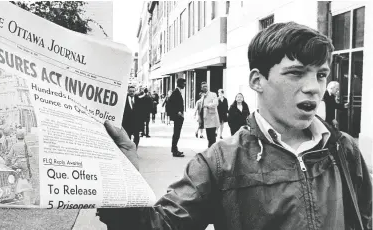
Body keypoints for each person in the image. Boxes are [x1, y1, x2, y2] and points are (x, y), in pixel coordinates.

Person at [98, 22, 372, 230]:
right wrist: (121, 184)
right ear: (257, 81)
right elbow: (159, 224)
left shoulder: (343, 149)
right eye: (296, 73)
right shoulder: (220, 162)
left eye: (321, 75)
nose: (314, 87)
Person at [6, 129, 34, 205]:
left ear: (16, 137)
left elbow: (9, 156)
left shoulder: (14, 145)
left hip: (17, 163)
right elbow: (31, 154)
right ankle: (26, 193)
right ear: (23, 137)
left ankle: (16, 192)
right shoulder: (25, 145)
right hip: (24, 163)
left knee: (15, 175)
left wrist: (8, 163)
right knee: (26, 177)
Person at [168, 78, 186, 157]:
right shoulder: (175, 92)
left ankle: (174, 149)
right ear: (180, 84)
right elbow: (169, 104)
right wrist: (177, 112)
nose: (185, 85)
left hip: (179, 117)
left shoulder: (178, 92)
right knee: (176, 134)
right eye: (184, 83)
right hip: (177, 117)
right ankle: (175, 151)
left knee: (177, 133)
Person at [198, 82, 219, 147]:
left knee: (212, 138)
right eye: (203, 86)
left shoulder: (213, 94)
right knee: (209, 137)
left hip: (212, 119)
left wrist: (207, 105)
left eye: (206, 86)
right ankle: (210, 151)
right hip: (205, 119)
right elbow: (200, 108)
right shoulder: (202, 97)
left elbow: (215, 103)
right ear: (201, 88)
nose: (205, 87)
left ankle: (212, 152)